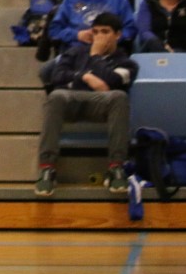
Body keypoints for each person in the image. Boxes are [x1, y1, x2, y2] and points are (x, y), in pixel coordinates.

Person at [34, 12, 138, 197]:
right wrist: (85, 77)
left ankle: (116, 167)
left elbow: (111, 82)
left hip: (101, 107)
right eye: (95, 32)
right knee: (56, 96)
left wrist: (95, 56)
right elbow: (57, 77)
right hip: (72, 101)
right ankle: (47, 168)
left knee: (119, 97)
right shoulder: (75, 52)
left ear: (117, 35)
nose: (99, 37)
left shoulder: (126, 62)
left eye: (105, 32)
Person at [39, 0, 136, 85]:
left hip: (108, 54)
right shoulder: (71, 2)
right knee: (46, 71)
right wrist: (77, 35)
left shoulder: (118, 0)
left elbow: (130, 29)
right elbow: (54, 30)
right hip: (76, 52)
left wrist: (108, 39)